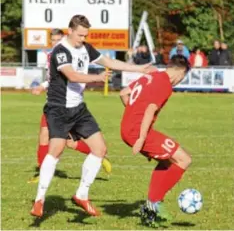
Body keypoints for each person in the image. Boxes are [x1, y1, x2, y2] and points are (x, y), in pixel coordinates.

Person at [30, 14, 155, 218]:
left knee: (99, 148)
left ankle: (81, 194)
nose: (82, 39)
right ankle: (39, 200)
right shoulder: (60, 51)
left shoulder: (85, 47)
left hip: (78, 108)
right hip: (58, 108)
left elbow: (109, 61)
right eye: (80, 35)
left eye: (85, 35)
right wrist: (97, 77)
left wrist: (138, 69)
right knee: (56, 148)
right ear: (69, 31)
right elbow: (72, 75)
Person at [28, 28, 112, 184]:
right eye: (53, 40)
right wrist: (44, 85)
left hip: (65, 105)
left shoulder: (67, 53)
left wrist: (43, 85)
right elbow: (54, 78)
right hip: (55, 103)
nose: (55, 43)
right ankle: (42, 172)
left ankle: (98, 155)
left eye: (57, 40)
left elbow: (69, 77)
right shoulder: (52, 55)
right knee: (51, 138)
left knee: (60, 140)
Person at [119, 55, 192, 227]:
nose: (180, 81)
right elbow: (150, 110)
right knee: (184, 159)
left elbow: (123, 93)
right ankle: (153, 203)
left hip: (128, 128)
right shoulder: (165, 84)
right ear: (180, 72)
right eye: (183, 77)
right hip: (138, 132)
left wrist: (133, 113)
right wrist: (141, 139)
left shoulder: (151, 76)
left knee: (167, 161)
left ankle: (152, 205)